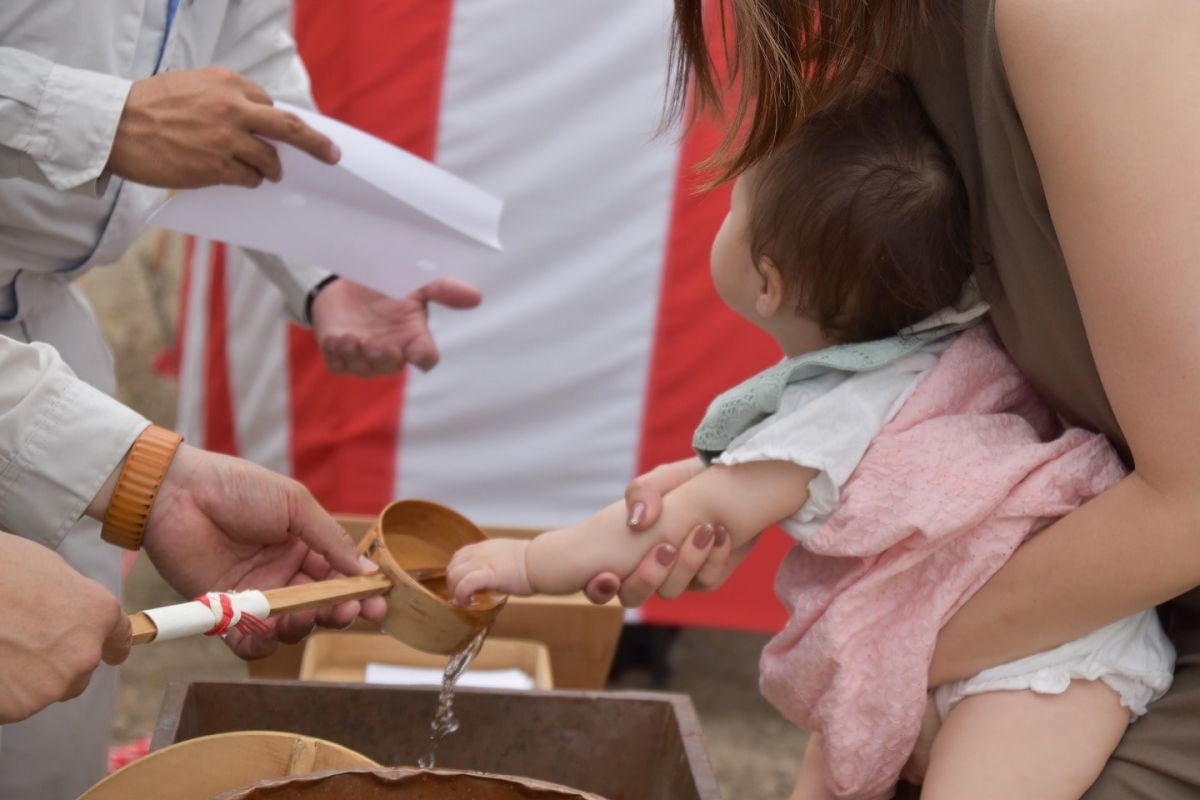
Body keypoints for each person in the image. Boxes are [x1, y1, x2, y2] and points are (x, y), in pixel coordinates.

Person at [448, 78, 1174, 799]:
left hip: (1046, 658)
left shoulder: (831, 415)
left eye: (734, 206)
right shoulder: (950, 327)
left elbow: (669, 524)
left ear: (768, 283)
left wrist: (525, 560)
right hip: (949, 623)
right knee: (836, 750)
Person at [0, 2, 478, 797]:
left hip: (44, 332)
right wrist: (99, 119)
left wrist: (328, 254)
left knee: (52, 742)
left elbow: (249, 59)